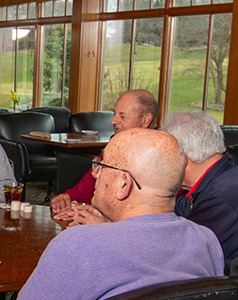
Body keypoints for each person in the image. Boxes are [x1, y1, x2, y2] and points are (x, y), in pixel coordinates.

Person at [0, 128, 223, 300]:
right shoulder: (206, 242)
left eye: (101, 166)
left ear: (124, 184)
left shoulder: (76, 247)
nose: (94, 175)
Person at [164, 110, 238, 277]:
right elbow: (175, 214)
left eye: (165, 156)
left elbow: (180, 257)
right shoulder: (218, 177)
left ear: (183, 159)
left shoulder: (222, 197)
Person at [50, 89, 158, 218]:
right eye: (114, 114)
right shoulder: (116, 145)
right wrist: (68, 197)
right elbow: (86, 189)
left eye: (122, 116)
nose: (113, 121)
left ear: (146, 119)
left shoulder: (161, 154)